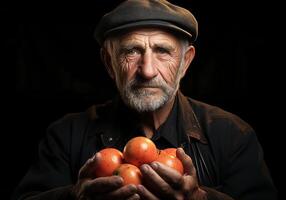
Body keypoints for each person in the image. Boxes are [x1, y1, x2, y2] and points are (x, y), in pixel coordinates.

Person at [12, 0, 277, 199]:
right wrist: (74, 196)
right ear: (109, 62)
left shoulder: (232, 136)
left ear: (185, 62)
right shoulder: (65, 135)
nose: (147, 70)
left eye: (162, 51)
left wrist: (202, 198)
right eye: (131, 51)